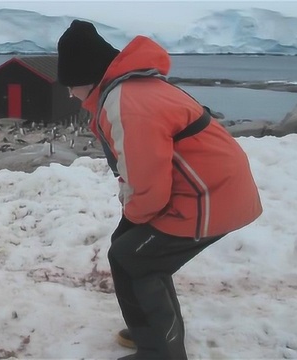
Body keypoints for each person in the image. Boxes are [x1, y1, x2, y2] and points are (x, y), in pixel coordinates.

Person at [56, 20, 263, 359]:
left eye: (70, 85)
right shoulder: (129, 90)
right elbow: (141, 168)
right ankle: (149, 331)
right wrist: (134, 213)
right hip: (207, 190)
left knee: (135, 259)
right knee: (128, 250)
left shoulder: (127, 101)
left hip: (210, 196)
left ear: (86, 78)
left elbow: (147, 177)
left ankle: (159, 351)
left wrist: (136, 211)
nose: (69, 94)